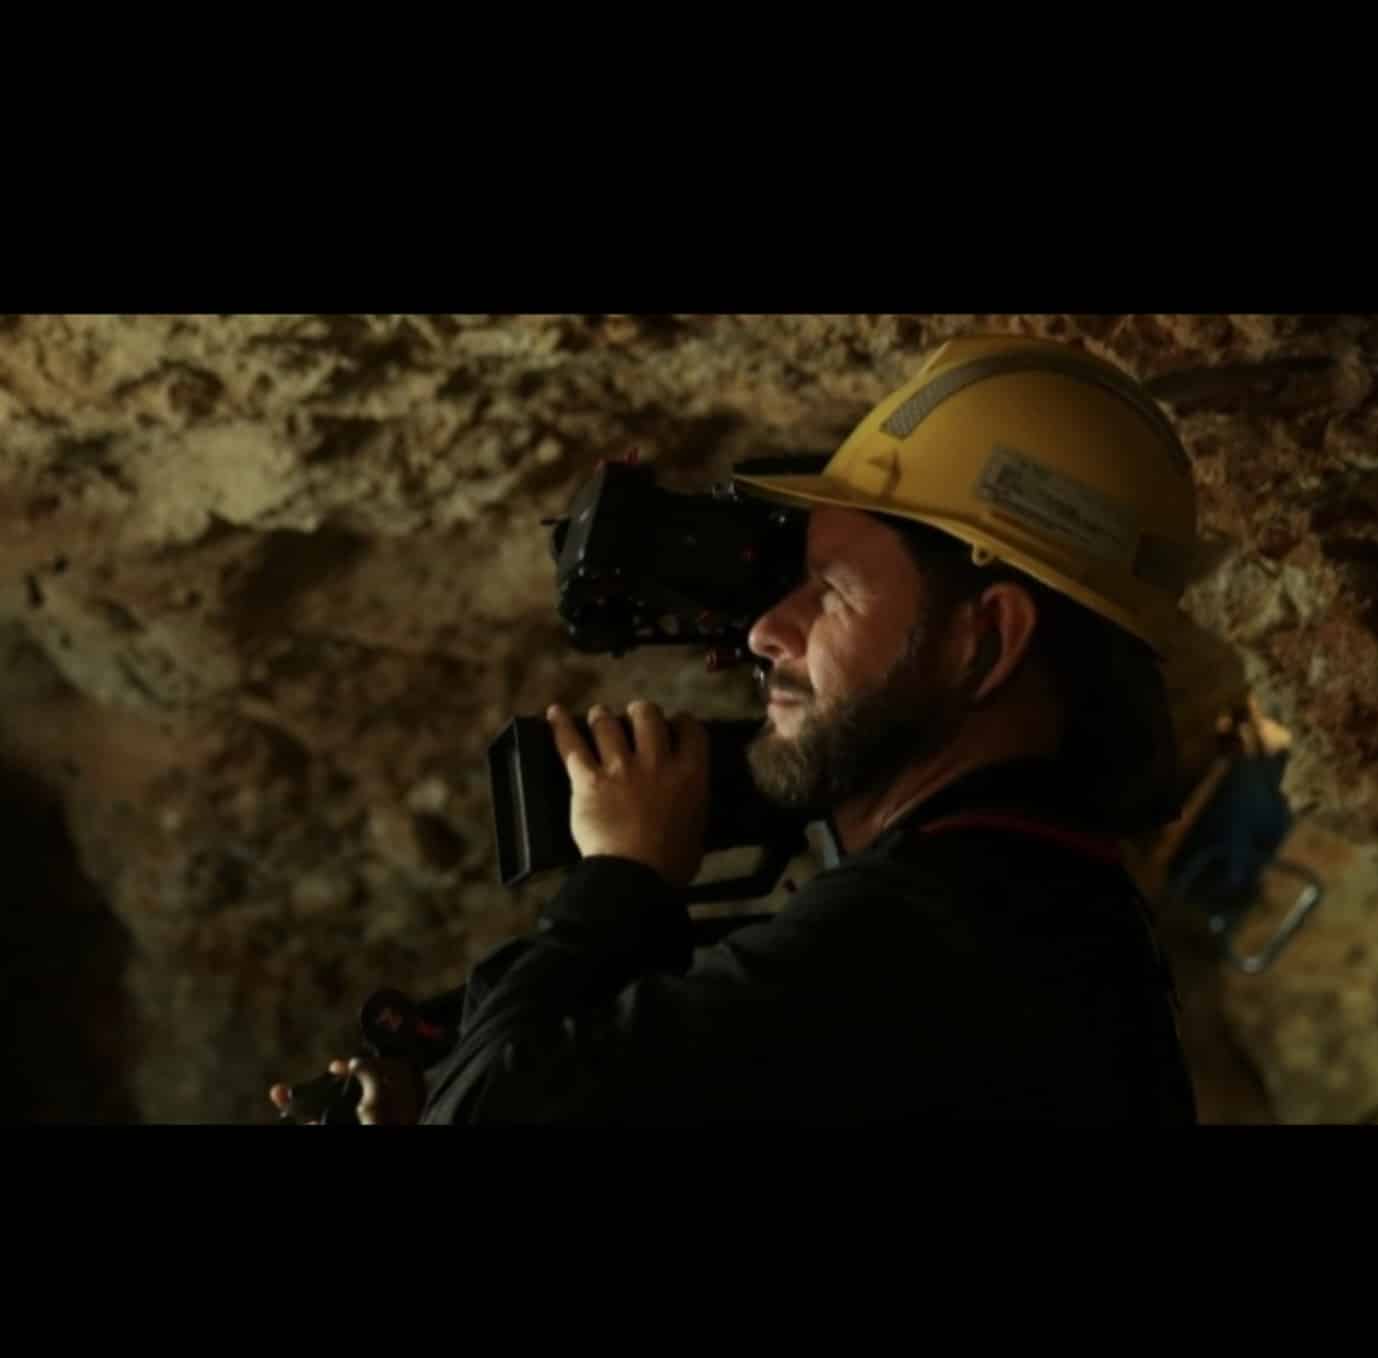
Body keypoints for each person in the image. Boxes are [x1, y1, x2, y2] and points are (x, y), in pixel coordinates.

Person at [272, 334, 1200, 1125]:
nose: (766, 632)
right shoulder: (1045, 915)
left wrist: (623, 878)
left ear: (985, 639)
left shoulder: (934, 939)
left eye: (832, 592)